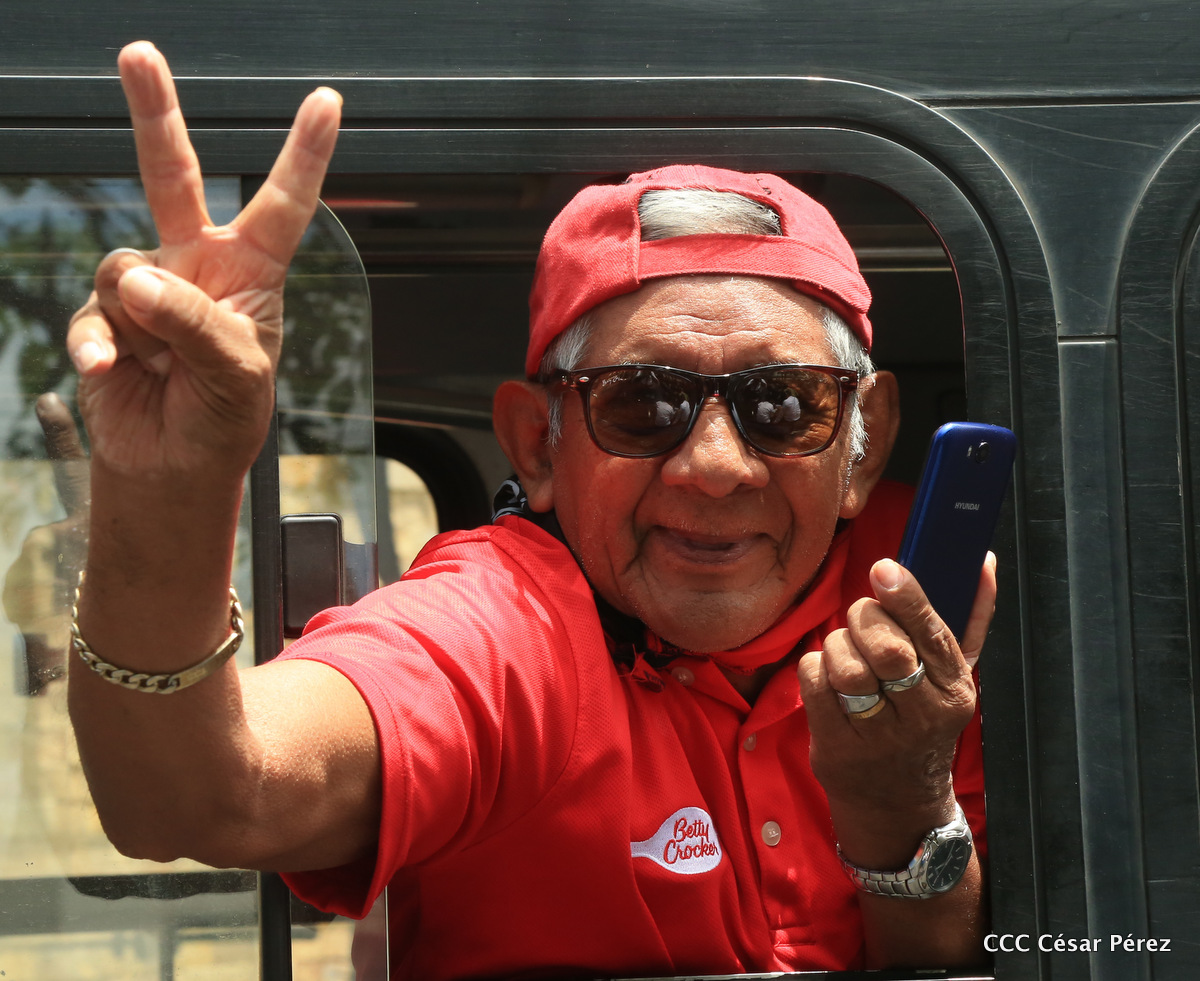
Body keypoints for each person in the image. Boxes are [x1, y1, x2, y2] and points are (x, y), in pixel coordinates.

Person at [67, 41, 994, 979]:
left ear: (862, 443)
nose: (716, 467)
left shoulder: (942, 594)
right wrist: (169, 491)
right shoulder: (509, 629)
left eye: (784, 405)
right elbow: (198, 796)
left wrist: (902, 807)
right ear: (538, 446)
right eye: (642, 403)